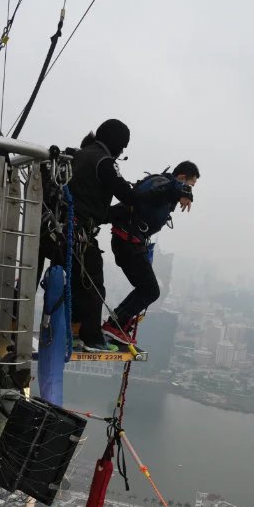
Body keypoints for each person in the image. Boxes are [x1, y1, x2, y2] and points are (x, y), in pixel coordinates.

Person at [101, 161, 200, 345]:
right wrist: (183, 190)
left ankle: (116, 323)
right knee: (150, 290)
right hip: (127, 242)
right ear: (181, 178)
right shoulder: (161, 184)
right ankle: (115, 325)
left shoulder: (165, 188)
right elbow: (156, 192)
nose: (190, 189)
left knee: (145, 289)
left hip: (130, 243)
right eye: (190, 184)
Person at [67, 119, 140, 352]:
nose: (123, 150)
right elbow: (127, 196)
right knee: (92, 284)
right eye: (124, 144)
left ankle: (73, 328)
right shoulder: (104, 161)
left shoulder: (81, 154)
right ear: (116, 141)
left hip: (61, 230)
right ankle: (91, 338)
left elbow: (91, 202)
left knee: (75, 283)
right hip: (79, 233)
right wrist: (143, 195)